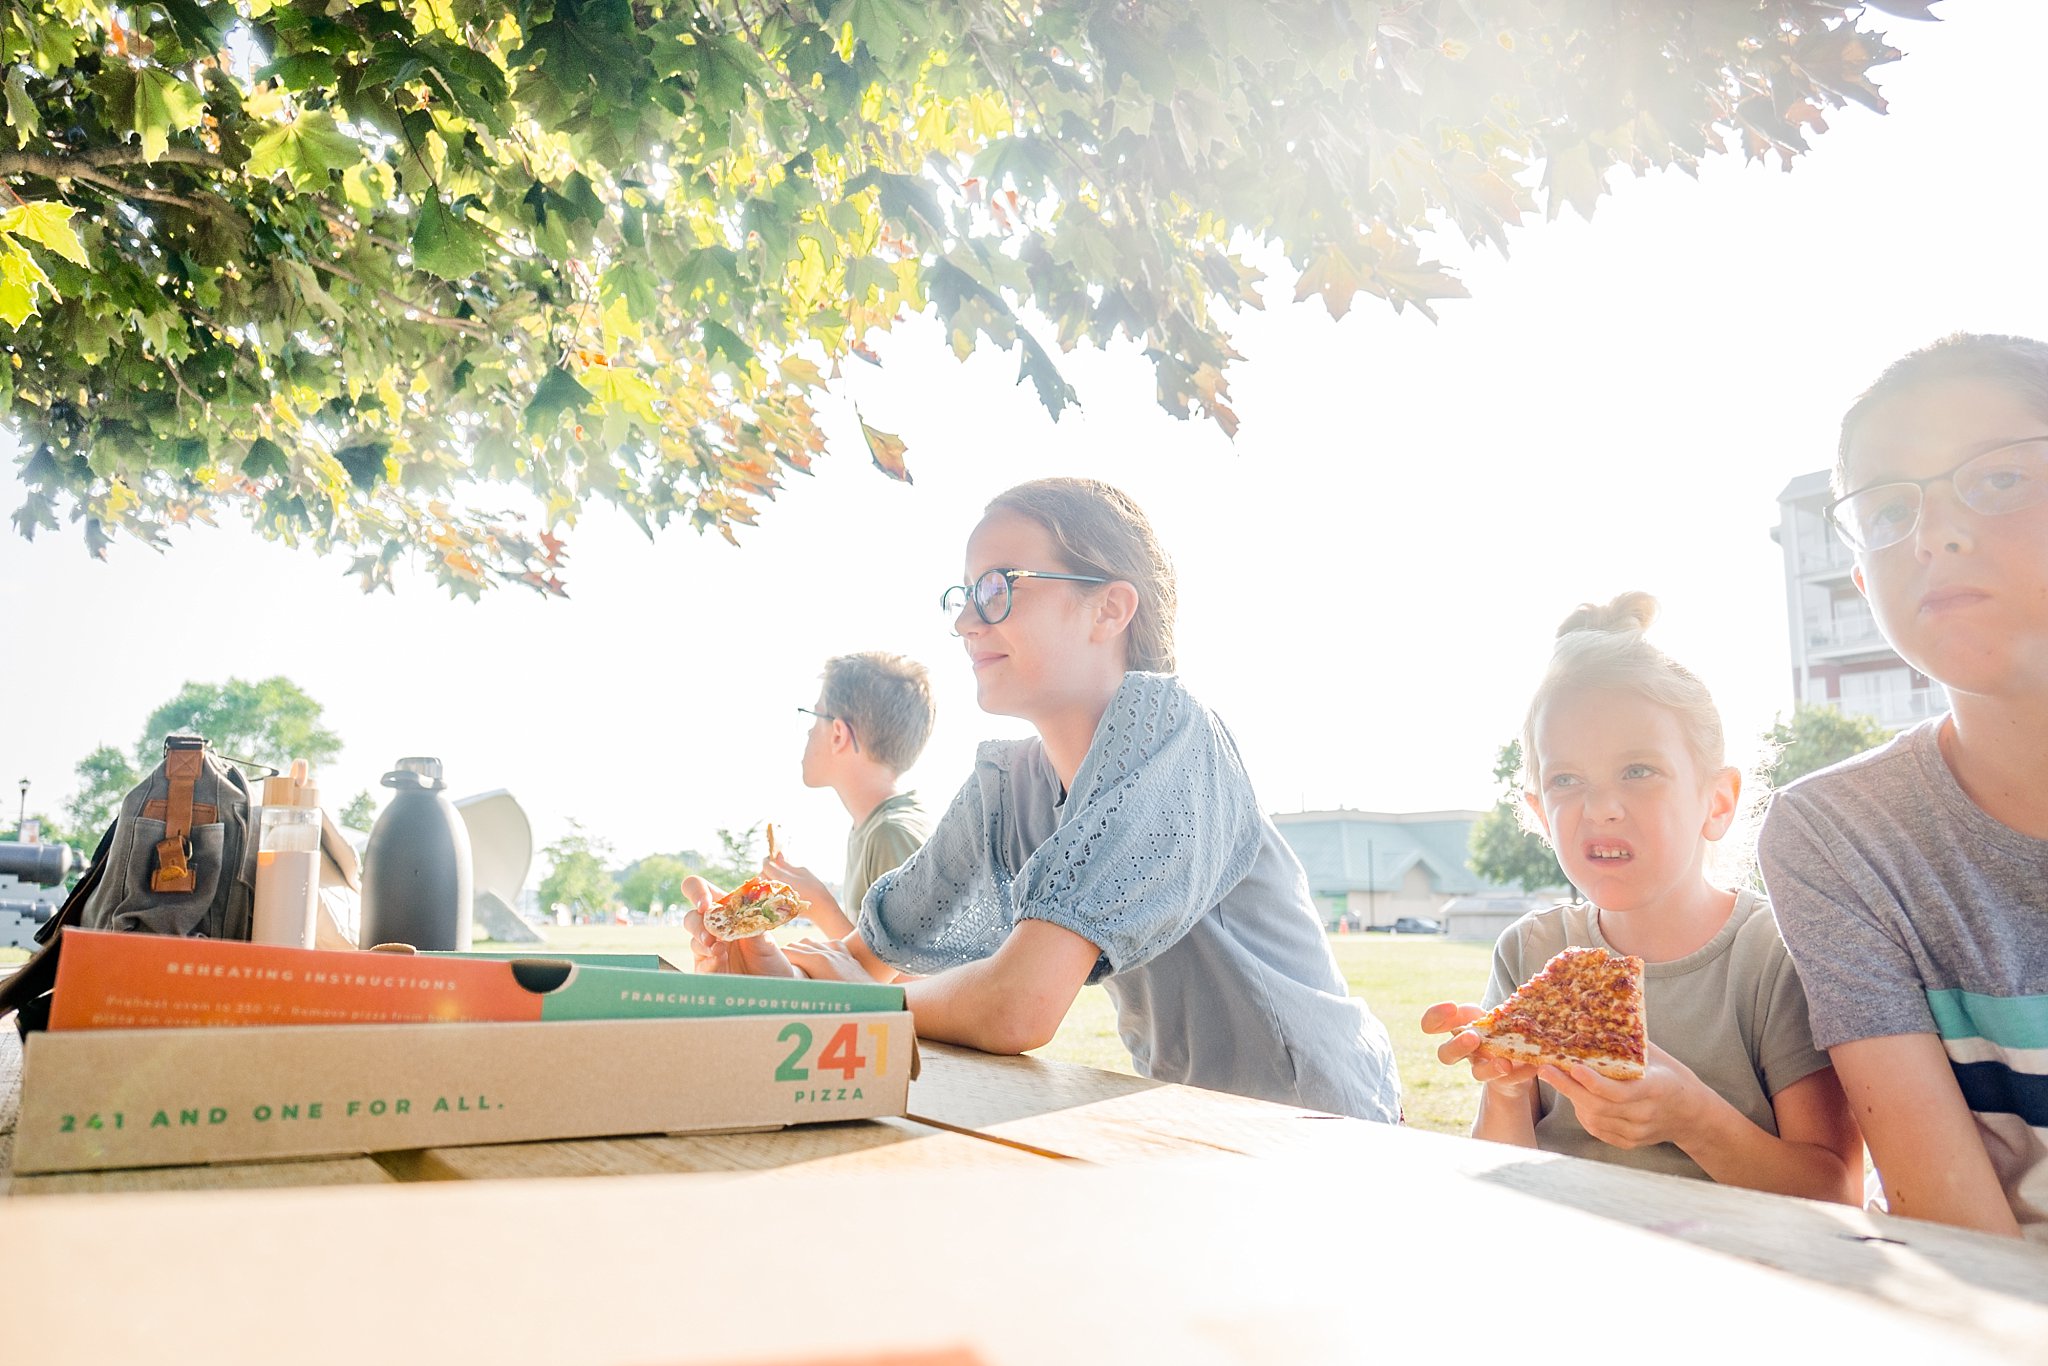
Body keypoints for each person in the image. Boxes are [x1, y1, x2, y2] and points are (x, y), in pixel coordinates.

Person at [688, 477, 1402, 1122]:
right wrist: (763, 965)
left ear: (1110, 609)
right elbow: (863, 957)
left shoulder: (1171, 730)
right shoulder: (1011, 785)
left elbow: (1017, 1006)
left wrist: (859, 1001)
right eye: (964, 595)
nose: (967, 622)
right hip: (1203, 1127)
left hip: (1325, 1127)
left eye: (998, 588)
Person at [1423, 593, 1861, 1201]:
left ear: (1718, 801)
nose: (1600, 807)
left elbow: (1835, 1190)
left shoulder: (1773, 958)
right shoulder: (1531, 950)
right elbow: (1503, 1182)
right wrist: (1502, 1085)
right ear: (1539, 813)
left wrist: (1691, 1118)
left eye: (1638, 771)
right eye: (1566, 780)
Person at [1759, 333, 2048, 1241]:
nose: (1933, 533)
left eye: (1998, 479)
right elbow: (1959, 1232)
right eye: (1887, 509)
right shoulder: (1834, 836)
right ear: (1861, 577)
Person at [762, 652, 936, 940]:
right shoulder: (871, 828)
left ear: (839, 734)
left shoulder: (890, 834)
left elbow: (913, 978)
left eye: (814, 716)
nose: (807, 731)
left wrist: (820, 907)